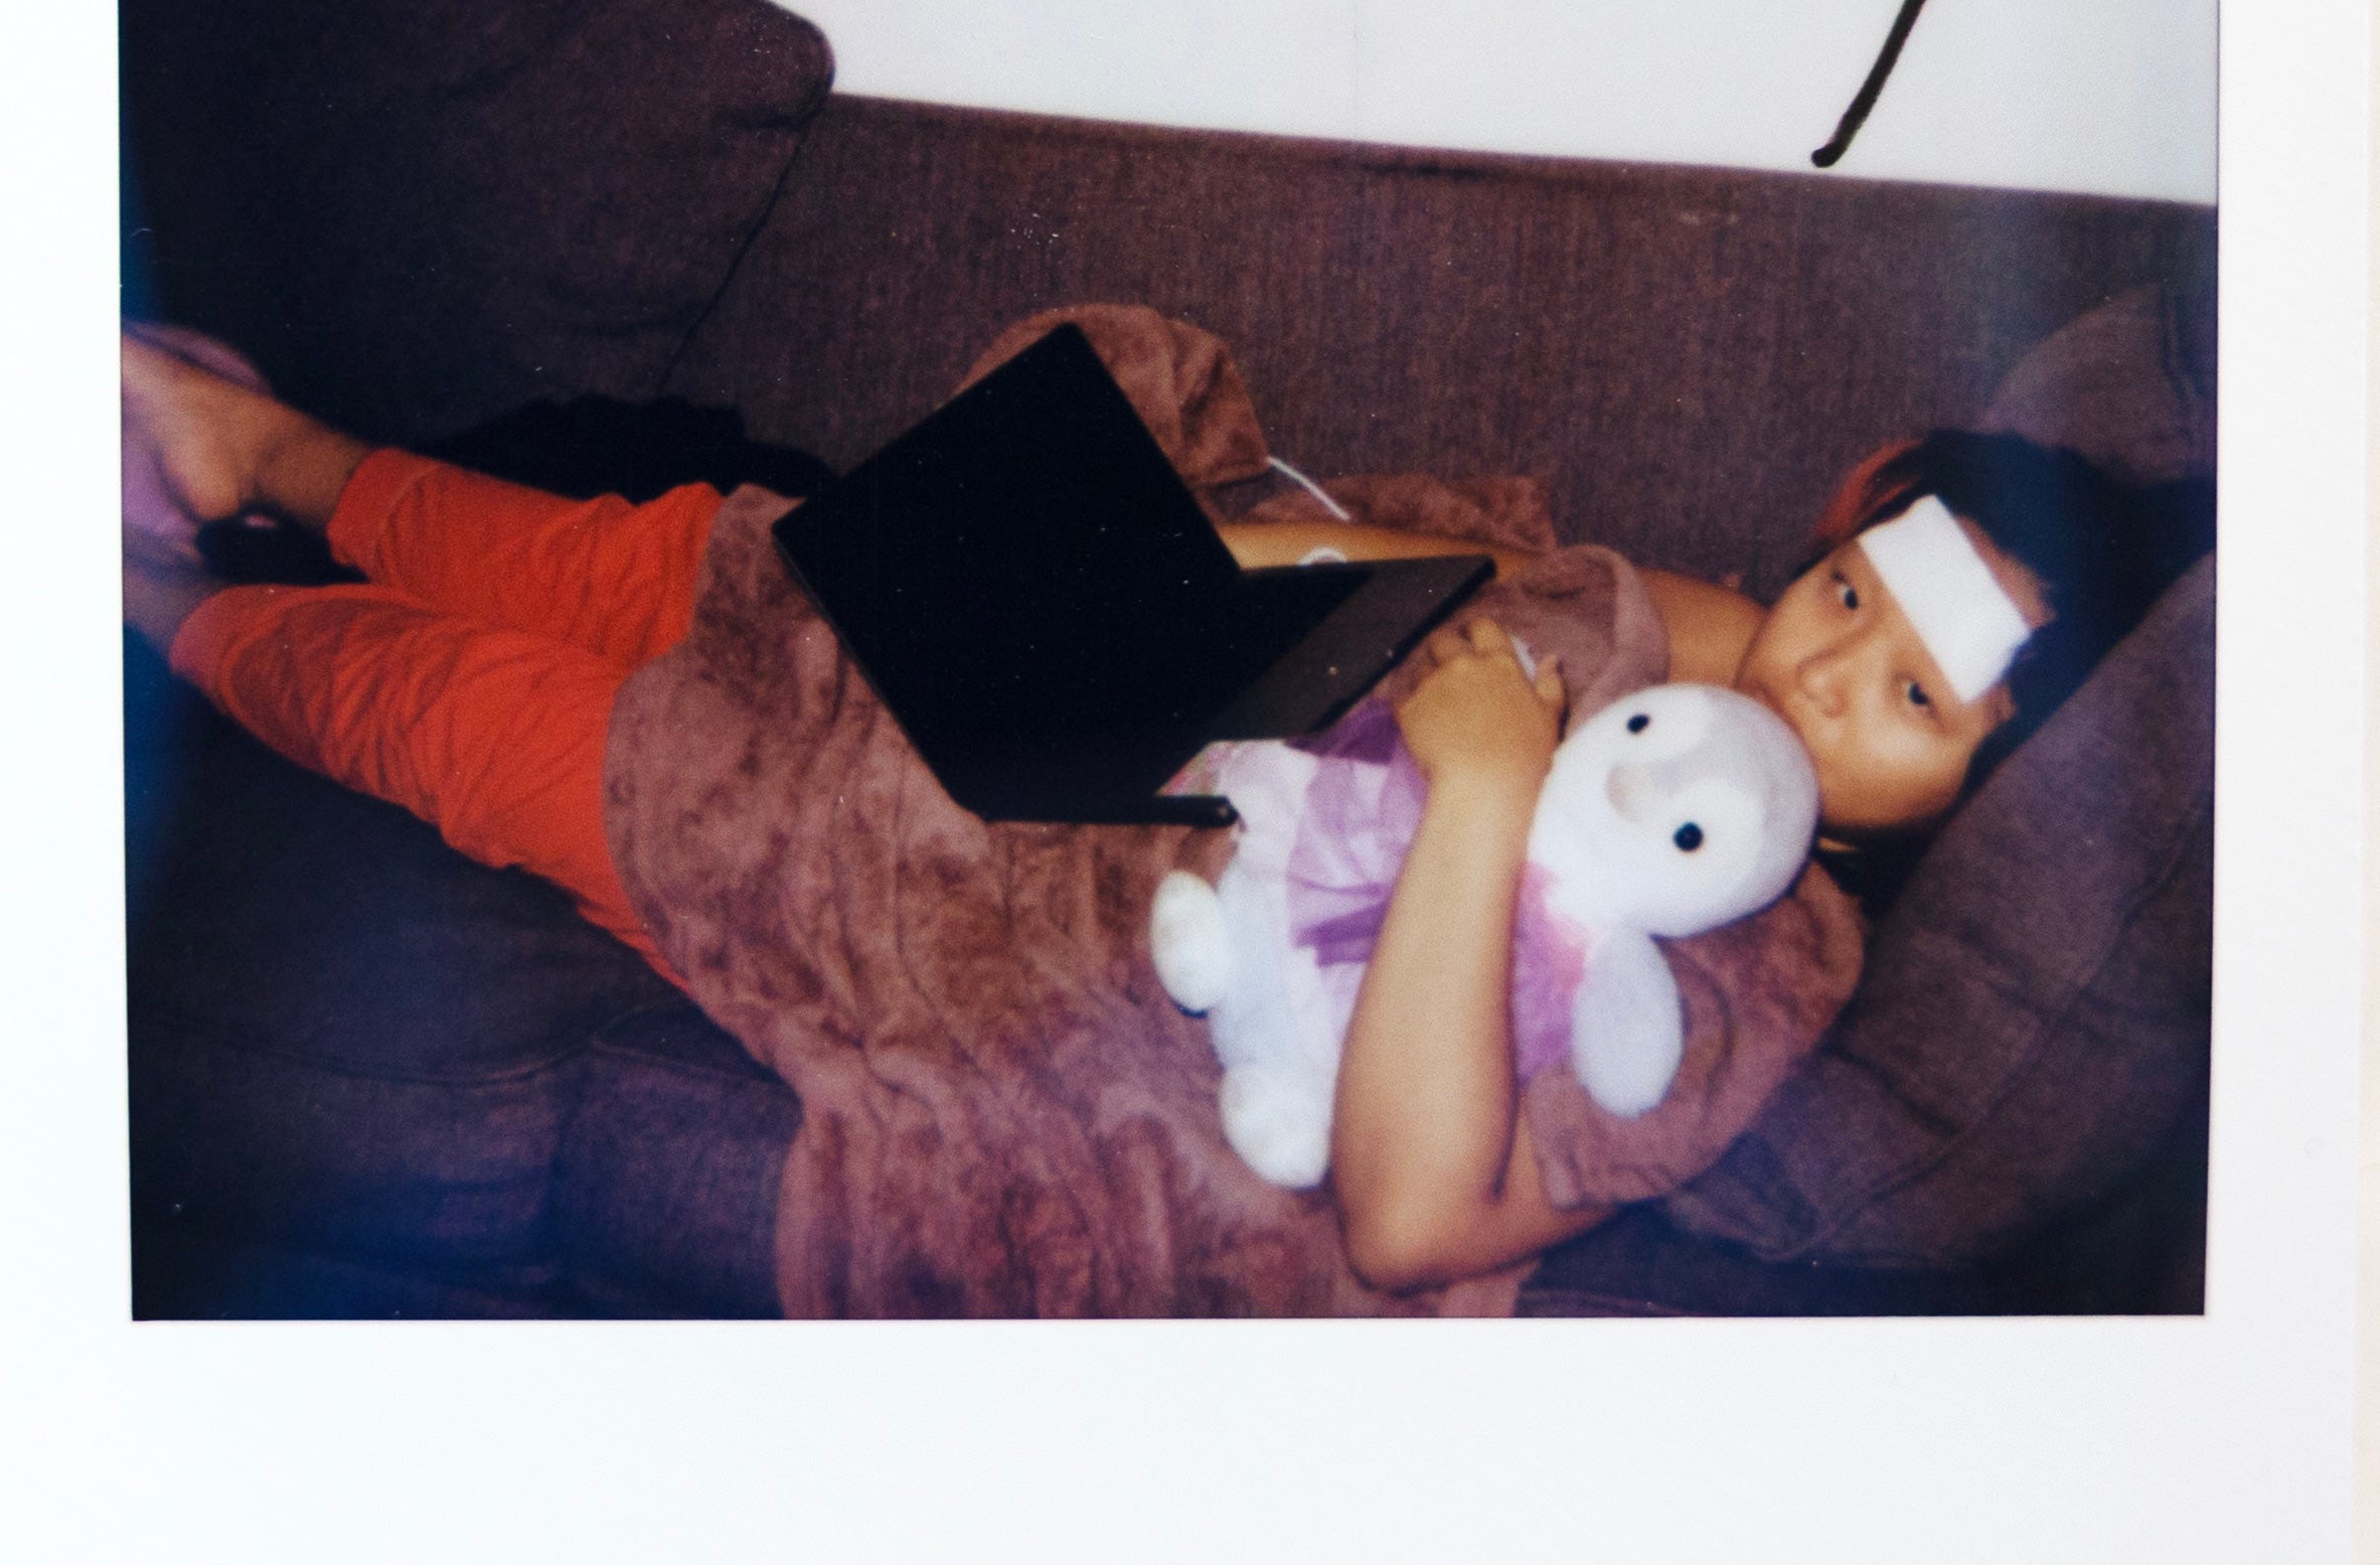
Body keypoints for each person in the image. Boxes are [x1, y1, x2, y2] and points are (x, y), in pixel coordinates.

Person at [120, 331, 2196, 1296]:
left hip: (918, 869)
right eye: (1849, 598)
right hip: (1008, 659)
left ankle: (151, 605)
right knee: (644, 554)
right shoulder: (1709, 650)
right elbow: (1484, 592)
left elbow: (1412, 1217)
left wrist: (1482, 792)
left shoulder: (1768, 959)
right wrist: (1181, 568)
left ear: (1980, 791)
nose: (1823, 677)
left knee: (490, 722)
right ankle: (265, 444)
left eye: (1910, 696)